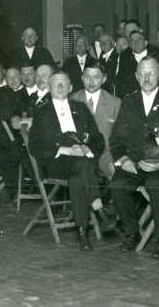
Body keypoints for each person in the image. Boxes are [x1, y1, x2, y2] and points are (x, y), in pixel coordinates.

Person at [110, 57, 159, 257]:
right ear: (136, 76)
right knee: (117, 184)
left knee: (156, 185)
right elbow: (117, 139)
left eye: (152, 73)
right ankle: (132, 233)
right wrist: (124, 158)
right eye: (143, 73)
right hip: (135, 165)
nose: (147, 77)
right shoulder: (128, 101)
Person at [28, 71, 110, 251]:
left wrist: (86, 149)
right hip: (56, 163)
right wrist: (61, 149)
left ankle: (82, 233)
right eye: (55, 84)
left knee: (76, 177)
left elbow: (98, 139)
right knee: (83, 164)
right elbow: (34, 146)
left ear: (70, 88)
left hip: (80, 161)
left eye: (63, 84)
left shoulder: (80, 108)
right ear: (49, 88)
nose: (59, 87)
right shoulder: (42, 112)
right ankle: (99, 209)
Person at [70, 58, 120, 180]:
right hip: (80, 154)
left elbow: (120, 136)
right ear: (82, 78)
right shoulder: (73, 100)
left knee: (118, 179)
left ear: (104, 79)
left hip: (106, 155)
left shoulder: (114, 102)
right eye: (87, 76)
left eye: (96, 77)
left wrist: (117, 160)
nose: (91, 81)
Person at [0, 66, 31, 203]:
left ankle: (26, 189)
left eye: (16, 77)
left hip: (26, 132)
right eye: (9, 78)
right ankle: (15, 193)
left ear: (21, 77)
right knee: (2, 152)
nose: (12, 80)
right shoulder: (2, 92)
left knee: (15, 151)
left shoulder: (28, 92)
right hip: (8, 132)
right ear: (5, 79)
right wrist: (13, 115)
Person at [114, 30, 150, 98]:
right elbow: (121, 83)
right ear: (130, 45)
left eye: (139, 39)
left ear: (145, 43)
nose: (136, 42)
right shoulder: (124, 58)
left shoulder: (155, 56)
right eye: (132, 41)